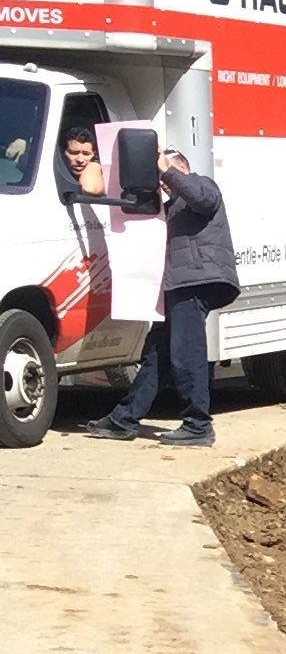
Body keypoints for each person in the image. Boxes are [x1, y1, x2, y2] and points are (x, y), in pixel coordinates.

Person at [83, 149, 238, 447]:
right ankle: (124, 418)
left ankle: (198, 425)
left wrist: (167, 170)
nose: (163, 183)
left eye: (165, 175)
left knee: (186, 352)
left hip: (196, 280)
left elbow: (203, 200)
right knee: (158, 354)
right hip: (177, 285)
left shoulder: (202, 184)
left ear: (182, 168)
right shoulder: (170, 207)